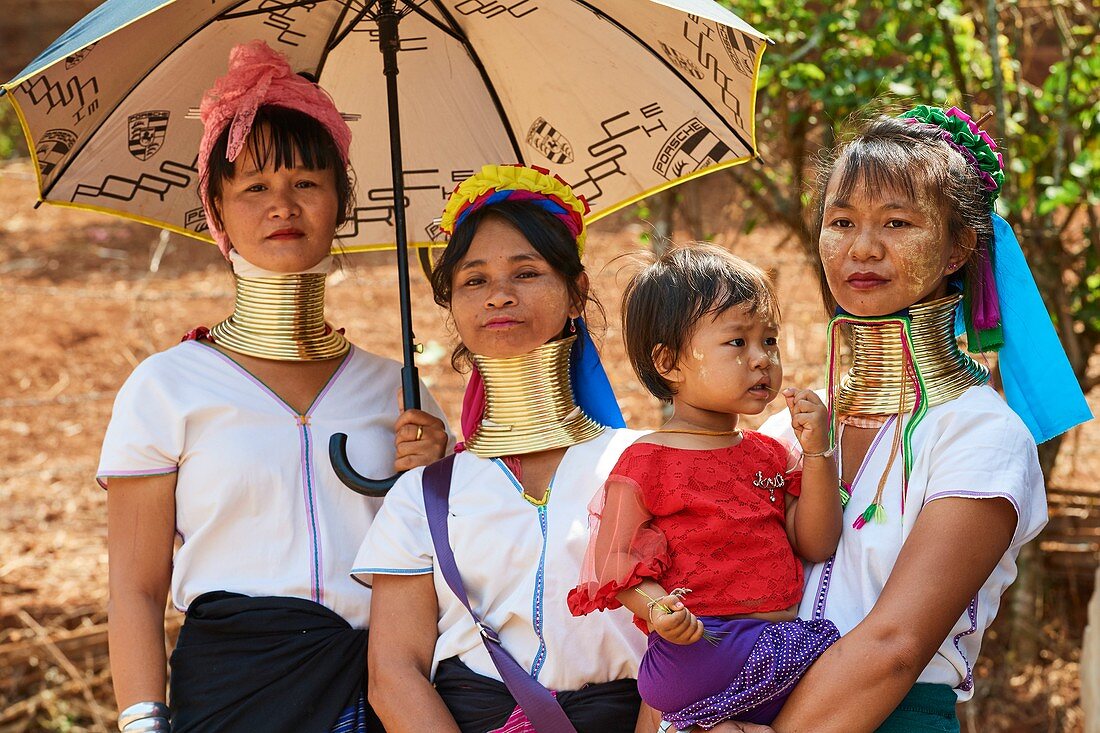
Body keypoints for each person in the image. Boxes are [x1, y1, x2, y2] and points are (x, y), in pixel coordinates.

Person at [98, 41, 448, 733]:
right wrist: (143, 721)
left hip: (381, 689)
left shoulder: (399, 393)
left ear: (341, 202)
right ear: (218, 214)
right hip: (232, 692)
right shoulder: (167, 388)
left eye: (307, 182)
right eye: (254, 186)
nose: (282, 205)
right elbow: (135, 590)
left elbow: (453, 569)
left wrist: (440, 481)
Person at [706, 106, 1092, 733]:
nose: (861, 247)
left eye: (896, 222)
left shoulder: (983, 437)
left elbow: (895, 645)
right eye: (841, 222)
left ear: (957, 247)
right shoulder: (787, 432)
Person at [354, 164, 649, 733]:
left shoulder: (645, 465)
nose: (500, 296)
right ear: (453, 306)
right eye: (474, 280)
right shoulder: (426, 494)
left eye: (527, 272)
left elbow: (684, 648)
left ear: (577, 292)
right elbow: (394, 673)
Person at [567, 245, 843, 729]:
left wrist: (818, 452)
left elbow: (816, 542)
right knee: (849, 655)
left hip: (772, 643)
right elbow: (616, 564)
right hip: (702, 649)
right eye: (738, 342)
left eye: (770, 341)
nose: (762, 360)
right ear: (669, 362)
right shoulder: (645, 461)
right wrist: (661, 612)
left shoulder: (769, 452)